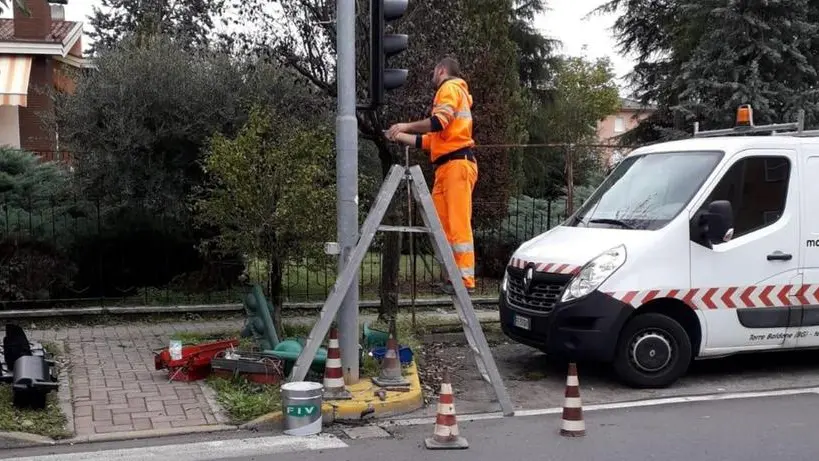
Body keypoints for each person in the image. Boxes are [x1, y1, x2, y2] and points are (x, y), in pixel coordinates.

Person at [386, 57, 478, 295]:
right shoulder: (455, 93)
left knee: (457, 224)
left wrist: (405, 126)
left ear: (441, 70)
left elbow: (438, 122)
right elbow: (430, 141)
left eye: (433, 72)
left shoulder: (448, 88)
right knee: (442, 226)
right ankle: (451, 278)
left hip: (457, 165)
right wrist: (399, 134)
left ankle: (464, 280)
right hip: (448, 166)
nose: (432, 77)